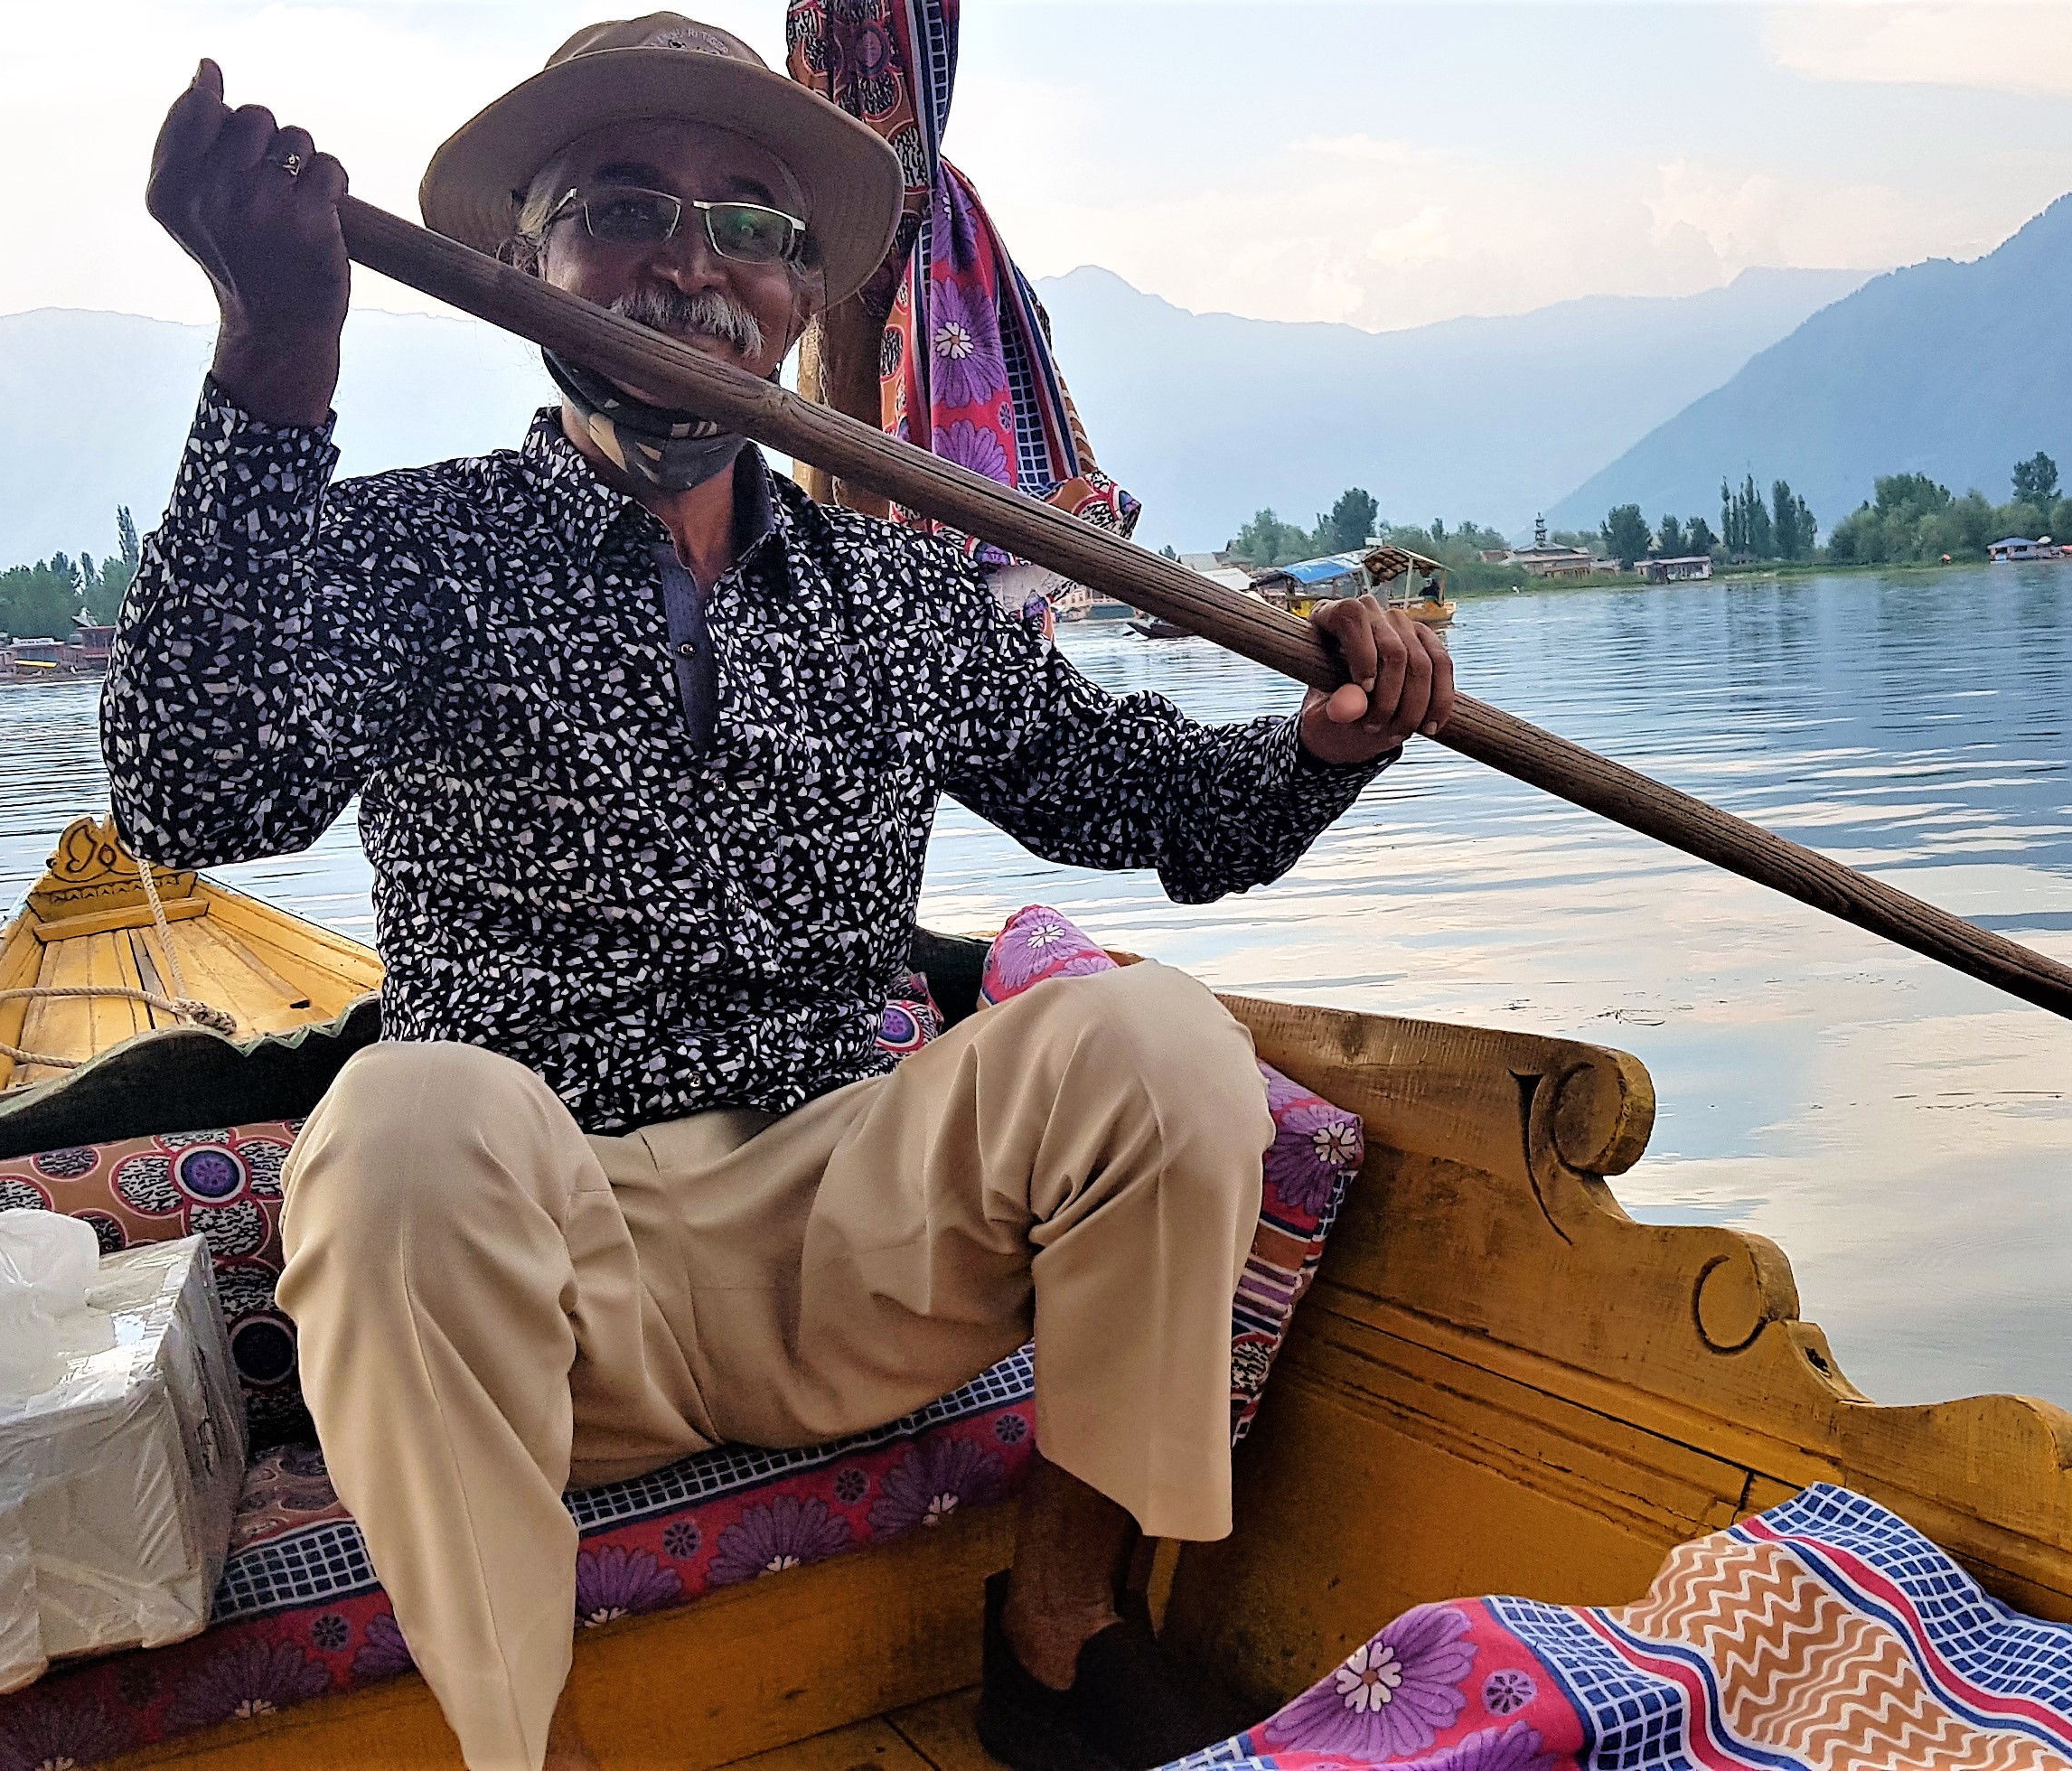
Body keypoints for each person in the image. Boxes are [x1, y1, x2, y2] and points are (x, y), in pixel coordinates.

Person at [114, 16, 1452, 1771]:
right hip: (545, 1295)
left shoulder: (894, 593)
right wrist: (275, 354)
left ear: (802, 287)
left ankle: (1059, 1635)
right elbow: (195, 793)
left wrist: (1329, 740)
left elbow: (1158, 806)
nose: (692, 263)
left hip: (852, 1252)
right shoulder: (411, 546)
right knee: (396, 1121)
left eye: (752, 223)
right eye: (622, 209)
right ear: (524, 263)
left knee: (1154, 1042)